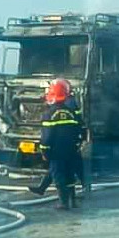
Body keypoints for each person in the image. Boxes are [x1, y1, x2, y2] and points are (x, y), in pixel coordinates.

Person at [29, 78, 87, 196]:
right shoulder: (70, 106)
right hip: (70, 144)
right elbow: (78, 124)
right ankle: (46, 189)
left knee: (60, 171)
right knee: (67, 170)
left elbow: (48, 135)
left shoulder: (56, 111)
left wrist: (44, 150)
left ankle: (65, 201)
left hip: (58, 147)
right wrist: (79, 140)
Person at [40, 80, 82, 209]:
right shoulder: (71, 112)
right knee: (70, 175)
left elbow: (46, 138)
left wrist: (45, 152)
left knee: (58, 176)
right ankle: (73, 201)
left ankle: (63, 203)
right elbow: (77, 130)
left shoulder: (49, 114)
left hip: (56, 152)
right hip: (70, 150)